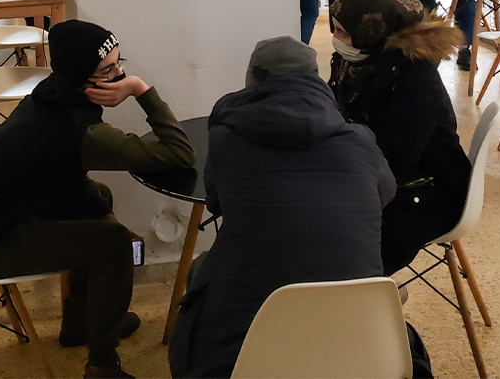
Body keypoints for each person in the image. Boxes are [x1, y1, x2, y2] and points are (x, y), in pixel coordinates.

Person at [0, 20, 194, 379]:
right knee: (114, 244)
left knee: (98, 198)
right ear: (84, 79)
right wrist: (140, 90)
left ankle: (81, 323)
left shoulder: (52, 95)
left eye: (121, 65)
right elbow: (180, 154)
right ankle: (102, 365)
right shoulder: (84, 132)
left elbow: (64, 180)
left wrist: (101, 211)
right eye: (109, 70)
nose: (120, 75)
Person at [169, 37, 395, 379]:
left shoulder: (226, 139)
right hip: (359, 335)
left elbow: (215, 200)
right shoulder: (360, 140)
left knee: (204, 271)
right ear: (316, 80)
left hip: (243, 351)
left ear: (252, 79)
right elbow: (384, 194)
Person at [329, 0, 471, 275]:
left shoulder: (416, 77)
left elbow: (396, 154)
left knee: (342, 254)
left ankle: (373, 301)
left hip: (426, 191)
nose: (335, 39)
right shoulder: (362, 60)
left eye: (343, 32)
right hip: (381, 178)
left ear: (371, 32)